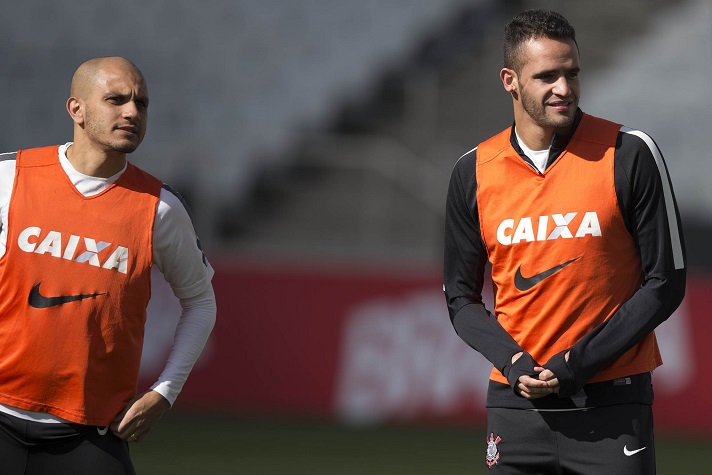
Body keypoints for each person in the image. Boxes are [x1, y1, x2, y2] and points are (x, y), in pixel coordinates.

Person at [443, 9, 685, 474]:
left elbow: (665, 281)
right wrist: (514, 363)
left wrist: (576, 363)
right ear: (510, 80)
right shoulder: (472, 172)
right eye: (547, 76)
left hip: (612, 409)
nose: (564, 89)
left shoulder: (629, 153)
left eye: (571, 73)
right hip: (514, 413)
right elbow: (460, 298)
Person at [0, 56, 217, 474]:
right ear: (76, 109)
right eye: (116, 100)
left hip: (90, 436)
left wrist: (165, 392)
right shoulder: (11, 177)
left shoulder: (161, 208)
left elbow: (201, 302)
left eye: (142, 103)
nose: (132, 112)